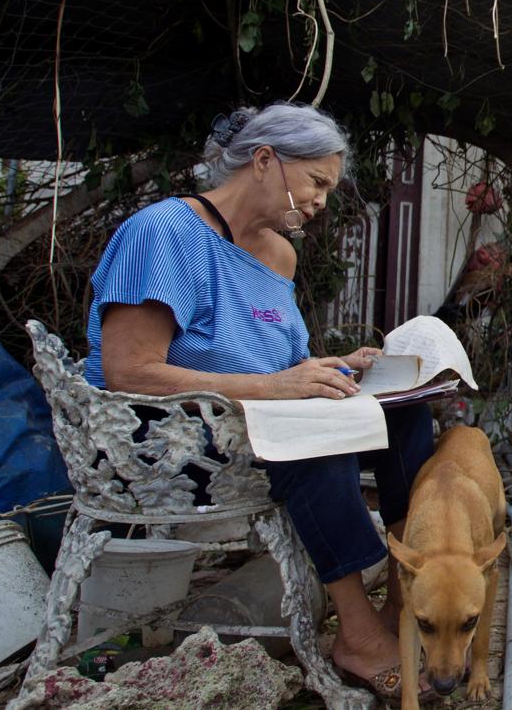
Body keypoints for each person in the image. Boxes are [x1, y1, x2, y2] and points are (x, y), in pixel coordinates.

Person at [84, 102, 433, 700]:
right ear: (265, 161)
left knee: (406, 414)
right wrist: (279, 389)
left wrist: (336, 367)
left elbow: (281, 367)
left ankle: (407, 594)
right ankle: (357, 633)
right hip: (164, 437)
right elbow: (129, 373)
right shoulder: (166, 232)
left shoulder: (278, 254)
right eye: (317, 182)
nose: (323, 199)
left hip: (253, 420)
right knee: (311, 439)